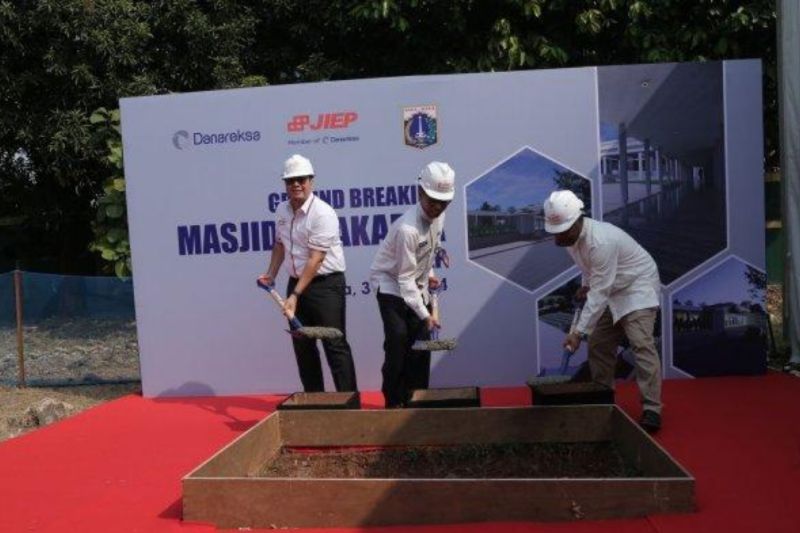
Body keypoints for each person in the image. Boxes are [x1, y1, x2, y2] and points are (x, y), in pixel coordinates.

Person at [543, 189, 663, 432]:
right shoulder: (572, 239)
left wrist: (577, 332)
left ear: (577, 221)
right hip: (610, 288)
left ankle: (652, 408)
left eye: (561, 232)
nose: (557, 239)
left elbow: (600, 292)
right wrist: (584, 285)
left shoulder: (601, 240)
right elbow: (592, 272)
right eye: (554, 232)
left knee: (641, 344)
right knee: (599, 344)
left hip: (636, 286)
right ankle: (602, 397)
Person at [258, 154, 357, 393]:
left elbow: (316, 259)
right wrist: (271, 273)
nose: (296, 184)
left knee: (334, 343)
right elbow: (280, 244)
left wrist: (295, 296)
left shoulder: (323, 213)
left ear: (311, 181)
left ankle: (350, 405)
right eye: (290, 180)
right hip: (296, 284)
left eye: (301, 179)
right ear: (285, 184)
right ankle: (316, 402)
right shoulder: (282, 210)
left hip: (325, 286)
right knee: (303, 345)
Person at [370, 161, 455, 408]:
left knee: (421, 343)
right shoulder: (407, 228)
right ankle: (394, 401)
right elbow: (404, 279)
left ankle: (418, 400)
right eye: (432, 200)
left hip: (415, 280)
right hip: (389, 282)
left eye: (444, 202)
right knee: (398, 340)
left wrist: (431, 268)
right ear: (420, 192)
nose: (437, 207)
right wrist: (425, 314)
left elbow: (428, 250)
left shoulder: (440, 215)